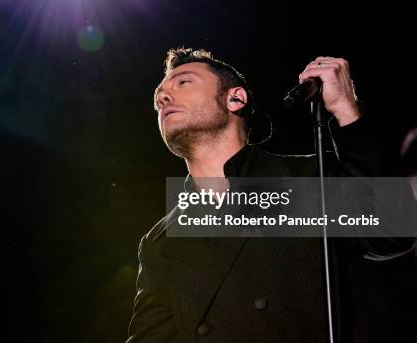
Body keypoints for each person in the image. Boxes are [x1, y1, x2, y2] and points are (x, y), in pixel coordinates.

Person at [126, 48, 416, 342]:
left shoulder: (308, 177)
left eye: (183, 83)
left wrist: (344, 107)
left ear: (235, 98)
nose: (162, 98)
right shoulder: (159, 241)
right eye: (158, 96)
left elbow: (391, 232)